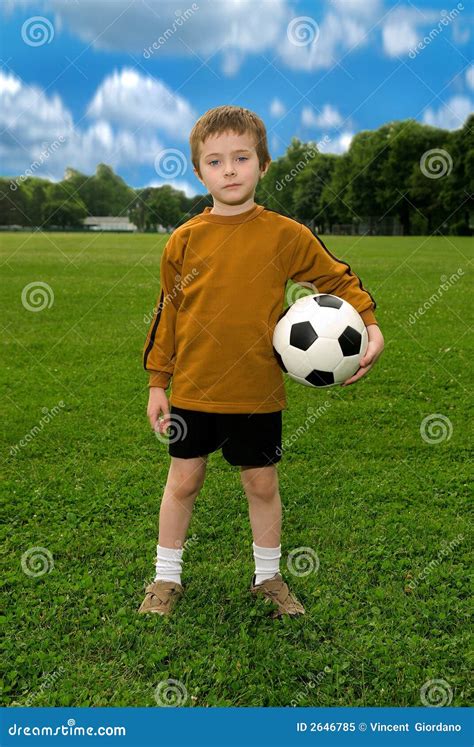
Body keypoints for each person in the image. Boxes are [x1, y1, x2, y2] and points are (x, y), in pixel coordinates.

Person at [138, 105, 385, 618]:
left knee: (262, 483)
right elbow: (168, 314)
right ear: (199, 170)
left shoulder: (286, 235)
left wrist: (372, 325)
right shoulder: (183, 240)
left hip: (257, 392)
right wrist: (158, 382)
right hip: (193, 391)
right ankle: (165, 579)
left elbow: (338, 279)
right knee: (182, 481)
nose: (229, 170)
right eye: (215, 161)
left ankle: (268, 578)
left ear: (264, 164)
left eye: (241, 158)